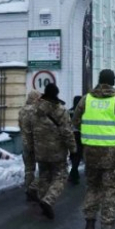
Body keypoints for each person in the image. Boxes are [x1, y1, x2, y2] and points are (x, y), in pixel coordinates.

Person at [71, 69, 115, 229]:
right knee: (110, 189)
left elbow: (75, 121)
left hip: (91, 151)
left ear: (99, 81)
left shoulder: (86, 99)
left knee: (92, 186)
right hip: (113, 153)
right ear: (113, 82)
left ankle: (90, 221)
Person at [29, 83, 76, 219]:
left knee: (44, 176)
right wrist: (73, 149)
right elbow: (67, 132)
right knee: (60, 176)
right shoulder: (61, 111)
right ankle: (48, 200)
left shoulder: (34, 109)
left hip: (40, 150)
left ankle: (43, 201)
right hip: (57, 151)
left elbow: (31, 129)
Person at [19, 90, 41, 202]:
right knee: (44, 168)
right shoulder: (36, 110)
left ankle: (28, 190)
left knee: (28, 169)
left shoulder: (22, 110)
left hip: (25, 143)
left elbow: (20, 126)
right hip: (37, 143)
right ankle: (34, 189)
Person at [67, 95, 84, 185]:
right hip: (80, 134)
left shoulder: (69, 111)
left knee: (74, 154)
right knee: (78, 154)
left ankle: (74, 173)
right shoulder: (82, 112)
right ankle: (73, 173)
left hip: (71, 135)